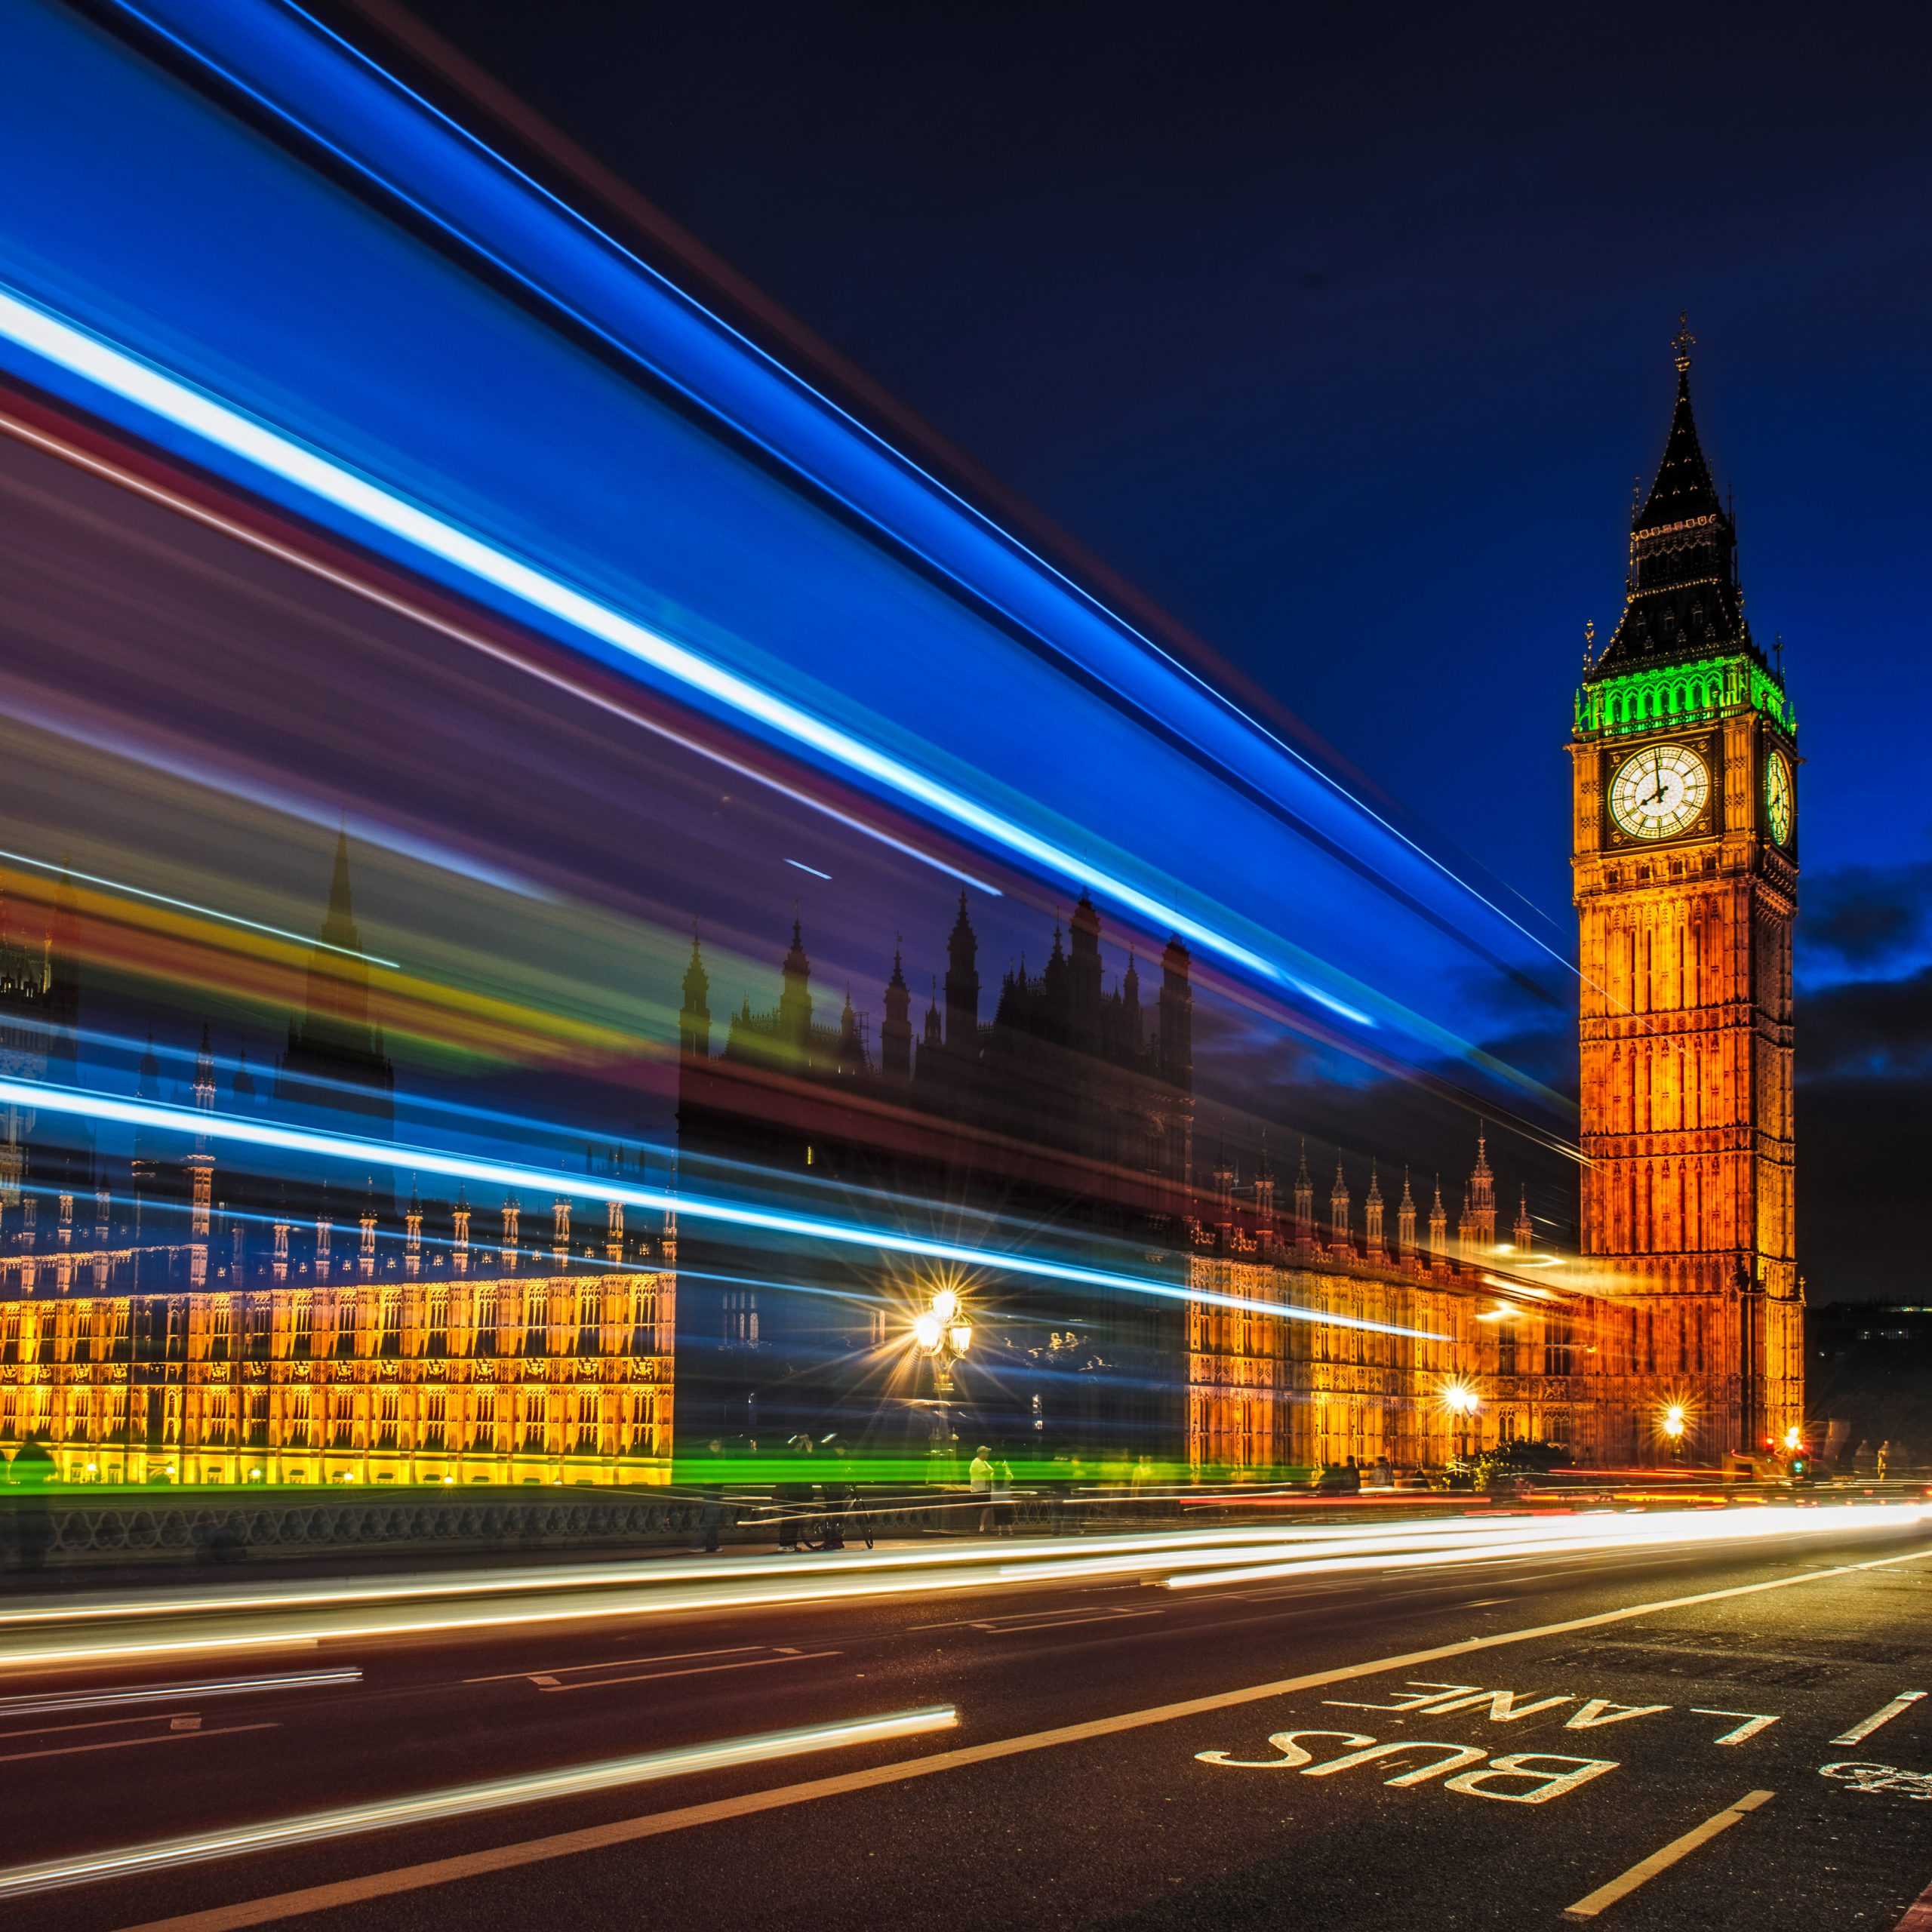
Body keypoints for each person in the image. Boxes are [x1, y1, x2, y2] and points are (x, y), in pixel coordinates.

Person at [777, 1432, 814, 1550]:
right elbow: (809, 1467)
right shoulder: (793, 1457)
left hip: (794, 1492)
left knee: (792, 1519)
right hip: (792, 1492)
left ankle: (790, 1544)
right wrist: (809, 1451)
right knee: (791, 1520)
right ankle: (786, 1544)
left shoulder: (792, 1456)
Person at [697, 1437, 728, 1553]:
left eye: (718, 1444)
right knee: (710, 1520)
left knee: (713, 1520)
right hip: (711, 1491)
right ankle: (699, 1545)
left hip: (716, 1491)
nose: (716, 1446)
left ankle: (712, 1545)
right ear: (709, 1446)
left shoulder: (718, 1458)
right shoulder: (709, 1459)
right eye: (714, 1444)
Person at [969, 1443, 995, 1533]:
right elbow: (986, 1472)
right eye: (986, 1453)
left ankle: (982, 1525)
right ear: (981, 1453)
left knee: (986, 1507)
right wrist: (990, 1471)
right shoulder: (976, 1462)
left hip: (985, 1489)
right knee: (982, 1508)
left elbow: (991, 1471)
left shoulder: (984, 1462)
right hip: (978, 1489)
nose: (988, 1455)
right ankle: (981, 1525)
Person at [992, 1456, 1017, 1537]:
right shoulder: (1007, 1476)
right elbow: (1012, 1477)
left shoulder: (992, 1475)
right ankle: (1010, 1531)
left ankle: (1000, 1532)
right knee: (1007, 1515)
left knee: (998, 1515)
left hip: (996, 1499)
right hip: (1006, 1498)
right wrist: (1006, 1466)